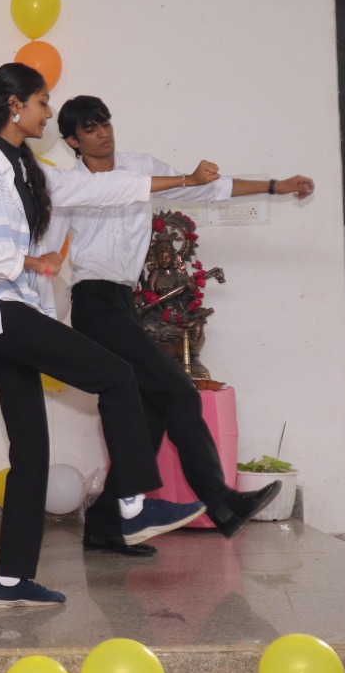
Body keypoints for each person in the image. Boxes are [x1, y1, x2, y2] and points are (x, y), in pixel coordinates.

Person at [0, 64, 212, 609]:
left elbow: (104, 189)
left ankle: (9, 581)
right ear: (15, 105)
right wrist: (30, 261)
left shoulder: (27, 166)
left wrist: (183, 179)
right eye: (42, 102)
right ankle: (134, 504)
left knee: (32, 453)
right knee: (117, 375)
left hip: (14, 311)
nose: (48, 112)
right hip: (0, 313)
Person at [52, 95, 315, 554]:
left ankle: (104, 523)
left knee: (153, 410)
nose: (104, 133)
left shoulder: (141, 167)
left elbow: (205, 189)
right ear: (73, 141)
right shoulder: (71, 186)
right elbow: (48, 246)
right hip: (94, 303)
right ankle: (222, 501)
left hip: (123, 302)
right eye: (90, 129)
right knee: (179, 392)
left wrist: (277, 186)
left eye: (106, 123)